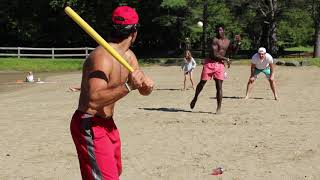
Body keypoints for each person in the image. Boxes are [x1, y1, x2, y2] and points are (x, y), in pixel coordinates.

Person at [70, 6, 154, 180]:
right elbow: (94, 100)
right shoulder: (102, 57)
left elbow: (141, 88)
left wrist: (146, 87)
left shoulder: (129, 56)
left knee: (114, 172)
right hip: (89, 124)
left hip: (108, 124)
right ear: (134, 32)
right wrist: (128, 86)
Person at [190, 24, 241, 114]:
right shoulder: (214, 40)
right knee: (202, 83)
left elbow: (233, 52)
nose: (219, 32)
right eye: (217, 30)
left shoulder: (227, 41)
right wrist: (226, 59)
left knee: (219, 86)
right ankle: (195, 97)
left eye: (220, 30)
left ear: (224, 31)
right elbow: (215, 54)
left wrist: (238, 43)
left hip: (220, 65)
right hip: (209, 63)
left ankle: (218, 108)